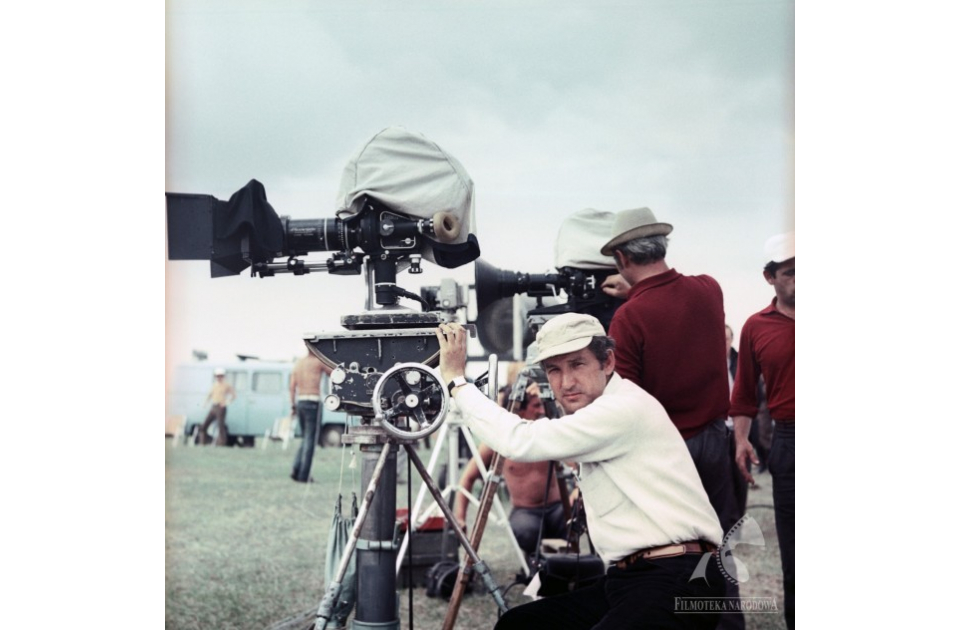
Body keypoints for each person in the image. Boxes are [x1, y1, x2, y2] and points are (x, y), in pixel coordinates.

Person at [438, 314, 725, 629]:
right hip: (632, 577)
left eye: (577, 365)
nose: (566, 382)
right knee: (520, 624)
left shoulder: (622, 408)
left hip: (678, 576)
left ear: (608, 362)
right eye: (554, 370)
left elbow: (518, 440)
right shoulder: (606, 408)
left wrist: (457, 382)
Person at [600, 208, 740, 536]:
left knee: (676, 541)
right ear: (662, 245)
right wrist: (634, 291)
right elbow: (672, 302)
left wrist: (632, 296)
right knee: (721, 537)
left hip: (667, 447)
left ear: (621, 257)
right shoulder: (709, 289)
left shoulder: (628, 317)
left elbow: (626, 397)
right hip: (716, 440)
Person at [731, 232, 795, 629]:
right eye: (791, 273)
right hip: (790, 440)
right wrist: (741, 439)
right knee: (796, 553)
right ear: (770, 277)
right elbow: (743, 393)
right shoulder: (756, 326)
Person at [453, 380, 568, 558]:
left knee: (574, 516)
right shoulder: (498, 440)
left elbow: (580, 463)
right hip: (526, 512)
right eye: (536, 406)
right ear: (519, 409)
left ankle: (563, 563)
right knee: (526, 530)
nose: (541, 411)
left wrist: (576, 492)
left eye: (542, 405)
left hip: (557, 508)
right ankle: (536, 562)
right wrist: (459, 517)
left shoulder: (548, 431)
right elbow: (467, 478)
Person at [290, 351, 331, 483]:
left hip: (300, 401)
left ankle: (296, 468)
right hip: (313, 401)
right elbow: (333, 373)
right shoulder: (318, 362)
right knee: (311, 440)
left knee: (305, 438)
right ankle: (304, 475)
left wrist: (293, 405)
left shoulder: (298, 363)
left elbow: (292, 387)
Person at [198, 367, 235, 446]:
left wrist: (226, 403)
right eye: (217, 376)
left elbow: (233, 396)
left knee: (221, 426)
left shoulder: (226, 385)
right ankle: (203, 442)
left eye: (220, 376)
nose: (219, 377)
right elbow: (209, 395)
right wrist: (205, 403)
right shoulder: (214, 385)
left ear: (223, 376)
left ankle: (222, 443)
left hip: (221, 407)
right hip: (213, 407)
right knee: (204, 425)